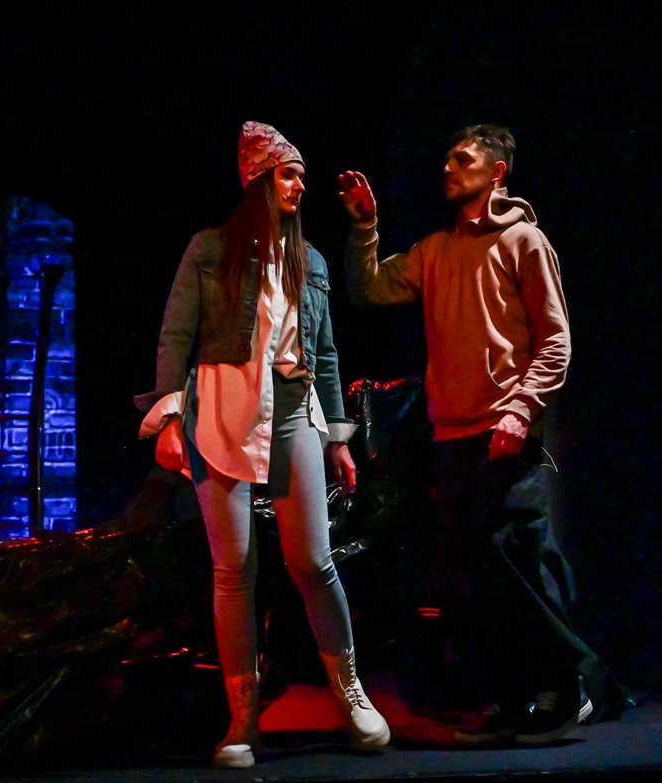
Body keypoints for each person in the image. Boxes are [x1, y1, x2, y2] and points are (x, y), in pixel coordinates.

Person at [137, 121, 390, 769]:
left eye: (302, 175)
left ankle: (350, 692)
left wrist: (339, 438)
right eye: (289, 174)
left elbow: (325, 354)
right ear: (258, 180)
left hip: (293, 410)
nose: (301, 186)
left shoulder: (313, 262)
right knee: (234, 569)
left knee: (312, 559)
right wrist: (168, 417)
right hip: (221, 410)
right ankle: (242, 716)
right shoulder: (210, 248)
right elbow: (175, 336)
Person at [337, 124, 593, 744]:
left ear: (497, 172)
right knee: (471, 574)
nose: (448, 167)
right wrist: (366, 228)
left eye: (463, 158)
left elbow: (555, 340)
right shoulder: (435, 250)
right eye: (447, 158)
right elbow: (370, 288)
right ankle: (509, 698)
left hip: (504, 427)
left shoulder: (524, 241)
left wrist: (521, 410)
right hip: (450, 434)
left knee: (514, 559)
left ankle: (565, 686)